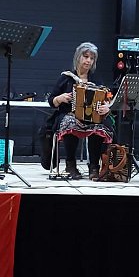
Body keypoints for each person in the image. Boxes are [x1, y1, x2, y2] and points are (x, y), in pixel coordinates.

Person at [44, 42, 115, 180]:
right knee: (70, 122)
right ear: (78, 57)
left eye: (92, 58)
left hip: (91, 117)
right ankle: (70, 165)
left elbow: (107, 98)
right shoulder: (66, 77)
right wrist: (60, 98)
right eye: (86, 56)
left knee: (99, 126)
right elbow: (51, 101)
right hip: (69, 115)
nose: (88, 60)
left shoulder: (96, 79)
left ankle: (94, 166)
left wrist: (107, 106)